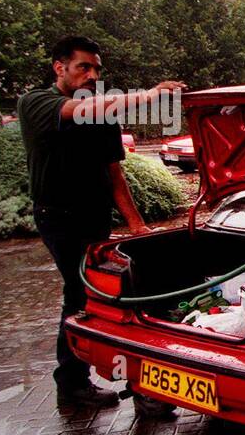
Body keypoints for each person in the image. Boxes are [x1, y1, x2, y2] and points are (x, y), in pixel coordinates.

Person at [18, 36, 185, 409]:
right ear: (59, 68)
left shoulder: (102, 114)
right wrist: (148, 96)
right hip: (58, 219)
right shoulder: (37, 103)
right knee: (81, 293)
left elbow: (114, 175)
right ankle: (72, 384)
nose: (92, 75)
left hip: (95, 217)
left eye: (96, 69)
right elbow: (82, 109)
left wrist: (138, 227)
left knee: (132, 287)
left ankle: (146, 387)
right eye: (84, 67)